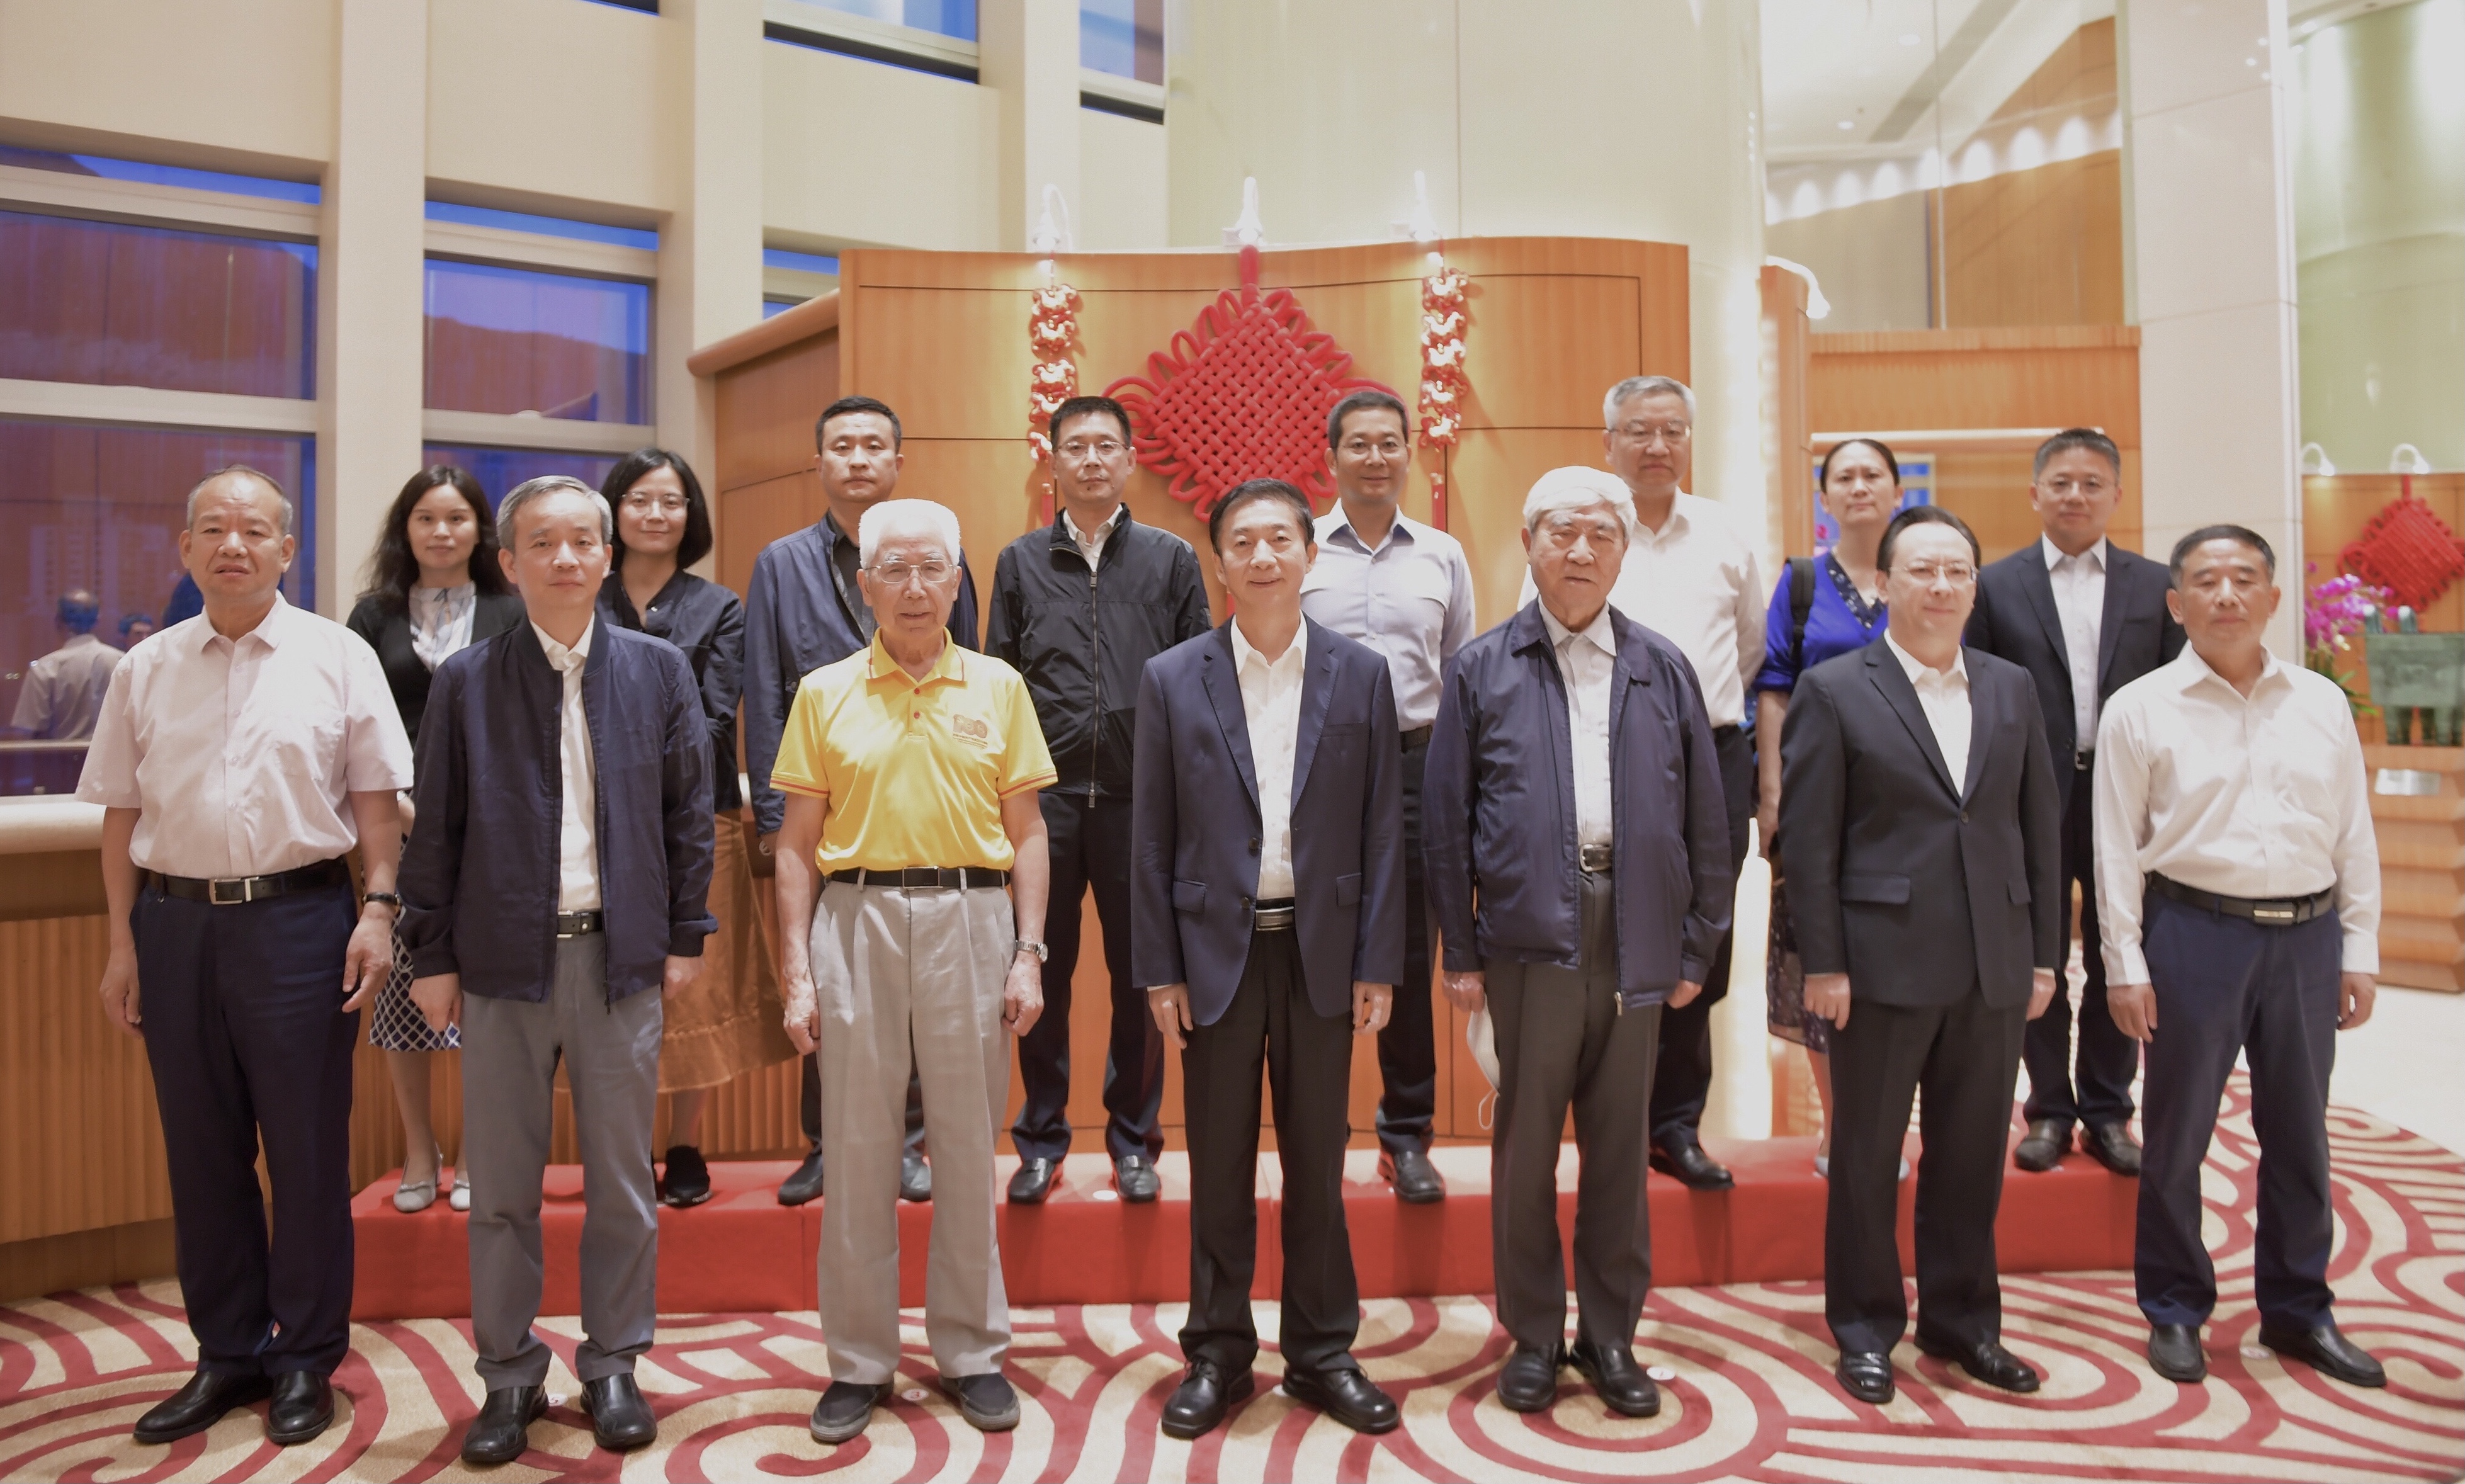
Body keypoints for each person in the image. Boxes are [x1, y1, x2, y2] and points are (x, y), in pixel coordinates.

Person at [79, 466, 411, 1449]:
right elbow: (120, 814)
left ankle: (305, 1354)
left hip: (301, 923)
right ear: (185, 547)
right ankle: (226, 1352)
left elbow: (377, 805)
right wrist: (121, 944)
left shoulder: (337, 655)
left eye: (255, 530)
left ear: (286, 550)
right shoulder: (145, 667)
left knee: (306, 1151)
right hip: (173, 927)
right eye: (214, 529)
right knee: (200, 1149)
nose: (235, 544)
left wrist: (378, 911)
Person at [399, 475, 716, 1466]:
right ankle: (509, 1374)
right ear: (509, 562)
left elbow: (688, 814)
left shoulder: (660, 671)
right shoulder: (466, 681)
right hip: (501, 962)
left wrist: (684, 934)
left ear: (607, 557)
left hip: (619, 960)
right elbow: (435, 829)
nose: (566, 558)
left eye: (583, 541)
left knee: (622, 1182)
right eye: (543, 543)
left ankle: (613, 1363)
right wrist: (430, 954)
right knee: (501, 1187)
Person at [1426, 466, 1733, 1416]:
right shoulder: (1482, 668)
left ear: (1622, 551)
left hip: (1637, 930)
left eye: (1601, 533)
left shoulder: (1662, 666)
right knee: (1525, 1152)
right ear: (1528, 544)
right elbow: (1445, 819)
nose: (1580, 550)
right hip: (1527, 936)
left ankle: (1610, 1337)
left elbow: (1707, 820)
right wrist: (1460, 949)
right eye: (1561, 531)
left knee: (1619, 1149)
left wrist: (1696, 948)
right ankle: (1531, 1335)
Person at [770, 498, 1054, 1444]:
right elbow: (794, 845)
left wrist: (1028, 952)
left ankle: (972, 1351)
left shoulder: (1000, 686)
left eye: (933, 567)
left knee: (968, 1144)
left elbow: (1028, 832)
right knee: (855, 1149)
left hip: (972, 919)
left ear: (957, 580)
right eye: (893, 568)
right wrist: (797, 972)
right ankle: (858, 1361)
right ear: (864, 585)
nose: (915, 586)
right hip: (854, 920)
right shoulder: (824, 692)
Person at [1133, 478, 1405, 1441]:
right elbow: (1149, 835)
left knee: (1317, 1164)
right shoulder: (1173, 677)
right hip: (1215, 951)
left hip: (1322, 950)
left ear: (1309, 554)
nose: (1261, 556)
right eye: (1242, 541)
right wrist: (1159, 969)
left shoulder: (1359, 674)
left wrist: (1378, 959)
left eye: (1279, 539)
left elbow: (1383, 826)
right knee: (1216, 1164)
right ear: (1218, 562)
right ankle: (1215, 1351)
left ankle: (1322, 1350)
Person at [1778, 504, 2062, 1407]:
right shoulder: (1834, 689)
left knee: (1970, 1156)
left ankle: (1963, 1321)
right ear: (1885, 583)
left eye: (1956, 572)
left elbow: (2039, 828)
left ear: (1974, 587)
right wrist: (1823, 964)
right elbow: (1809, 844)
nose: (1940, 586)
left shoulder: (2011, 686)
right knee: (1866, 1158)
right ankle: (1864, 1328)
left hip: (1992, 960)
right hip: (1877, 966)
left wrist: (2045, 955)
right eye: (1921, 570)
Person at [2095, 525, 2386, 1390]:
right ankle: (2175, 1306)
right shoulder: (2139, 707)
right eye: (2206, 580)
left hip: (2307, 937)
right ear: (2176, 602)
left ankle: (2297, 1307)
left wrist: (2359, 944)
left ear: (2271, 597)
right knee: (2177, 1134)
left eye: (2243, 579)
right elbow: (2114, 847)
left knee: (2299, 1132)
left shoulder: (2320, 702)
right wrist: (2123, 962)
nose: (2226, 594)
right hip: (2193, 933)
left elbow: (2352, 832)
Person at [1519, 376, 1762, 1190]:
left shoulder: (1725, 533)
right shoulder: (1574, 532)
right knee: (1603, 934)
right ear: (1608, 442)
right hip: (1594, 753)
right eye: (1637, 430)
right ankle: (1601, 1120)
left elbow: (1749, 649)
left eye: (1671, 430)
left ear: (1689, 439)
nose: (1656, 445)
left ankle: (1675, 1124)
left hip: (1709, 753)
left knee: (1700, 937)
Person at [744, 395, 971, 1206]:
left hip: (921, 802)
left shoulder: (942, 553)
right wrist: (774, 819)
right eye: (843, 445)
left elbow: (971, 668)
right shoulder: (781, 563)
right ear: (820, 461)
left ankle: (908, 1145)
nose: (859, 458)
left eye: (875, 444)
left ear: (898, 462)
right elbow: (763, 689)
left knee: (914, 996)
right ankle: (826, 1145)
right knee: (823, 983)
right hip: (818, 802)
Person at [987, 395, 1210, 1204]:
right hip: (1042, 804)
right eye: (1075, 446)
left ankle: (1134, 1140)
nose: (1090, 459)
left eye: (1105, 446)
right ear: (1053, 461)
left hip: (1139, 799)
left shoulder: (1171, 559)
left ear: (1129, 459)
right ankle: (1041, 1138)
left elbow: (1199, 679)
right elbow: (998, 679)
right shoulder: (1019, 562)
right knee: (1036, 969)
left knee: (1139, 977)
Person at [1968, 429, 2183, 1179]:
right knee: (2039, 952)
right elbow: (1980, 693)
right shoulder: (1996, 585)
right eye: (2061, 482)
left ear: (2117, 494)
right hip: (2028, 793)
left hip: (2128, 795)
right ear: (2035, 493)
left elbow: (2174, 697)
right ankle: (2049, 1110)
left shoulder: (2156, 585)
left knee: (2119, 945)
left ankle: (2108, 1108)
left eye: (2092, 483)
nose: (2076, 495)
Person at [599, 448, 798, 1208]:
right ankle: (622, 1148)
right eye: (640, 499)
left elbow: (713, 719)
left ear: (692, 515)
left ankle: (684, 1143)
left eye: (672, 501)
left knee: (697, 985)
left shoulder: (719, 606)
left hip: (697, 813)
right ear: (614, 509)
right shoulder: (585, 592)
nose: (656, 513)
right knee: (609, 982)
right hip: (595, 820)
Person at [1298, 388, 1475, 1204]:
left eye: (1388, 443)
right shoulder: (1299, 547)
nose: (1375, 457)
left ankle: (1406, 1135)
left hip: (1416, 766)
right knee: (1315, 953)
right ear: (1331, 455)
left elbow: (1460, 671)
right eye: (1358, 443)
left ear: (1410, 452)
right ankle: (1318, 1133)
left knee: (1405, 954)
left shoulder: (1441, 554)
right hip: (1315, 772)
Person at [346, 465, 524, 1215]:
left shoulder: (511, 608)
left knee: (486, 997)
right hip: (394, 824)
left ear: (480, 529)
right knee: (399, 992)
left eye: (457, 517)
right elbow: (352, 727)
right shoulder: (372, 615)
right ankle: (420, 1149)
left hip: (492, 828)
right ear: (406, 528)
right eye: (426, 518)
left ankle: (479, 1150)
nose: (442, 531)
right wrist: (403, 809)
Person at [1755, 440, 1895, 1173]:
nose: (1860, 486)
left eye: (1874, 474)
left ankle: (1886, 1125)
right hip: (1817, 802)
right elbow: (1774, 687)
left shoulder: (1924, 575)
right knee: (1818, 959)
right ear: (1826, 496)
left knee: (1898, 967)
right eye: (1845, 476)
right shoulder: (1803, 581)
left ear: (1897, 490)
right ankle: (1840, 1126)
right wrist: (1772, 791)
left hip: (1907, 807)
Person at [11, 590, 122, 740]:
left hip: (59, 755)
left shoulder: (45, 668)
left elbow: (30, 730)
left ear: (58, 621)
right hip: (112, 754)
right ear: (97, 621)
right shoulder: (122, 662)